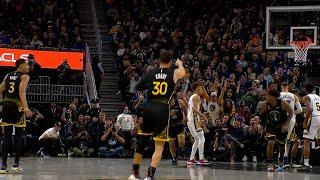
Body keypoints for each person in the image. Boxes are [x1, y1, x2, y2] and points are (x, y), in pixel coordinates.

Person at [128, 50, 185, 180]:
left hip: (149, 107)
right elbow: (183, 73)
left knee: (142, 141)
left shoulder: (151, 72)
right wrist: (179, 64)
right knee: (159, 145)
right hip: (163, 108)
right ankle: (150, 175)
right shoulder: (173, 72)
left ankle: (134, 172)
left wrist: (151, 86)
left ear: (159, 60)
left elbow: (137, 87)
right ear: (170, 61)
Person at [0, 59, 32, 173]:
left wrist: (1, 103)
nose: (28, 67)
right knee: (18, 137)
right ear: (21, 65)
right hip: (17, 106)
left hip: (6, 106)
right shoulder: (25, 77)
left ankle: (3, 166)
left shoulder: (8, 75)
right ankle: (15, 164)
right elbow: (21, 92)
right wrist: (26, 107)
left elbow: (0, 89)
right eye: (27, 64)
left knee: (6, 137)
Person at [258, 89, 293, 172]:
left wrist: (286, 124)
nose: (266, 97)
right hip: (271, 126)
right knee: (271, 142)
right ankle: (270, 164)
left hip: (281, 126)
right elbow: (262, 117)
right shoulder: (264, 104)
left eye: (267, 95)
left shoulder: (282, 103)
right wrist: (262, 127)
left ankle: (281, 161)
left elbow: (291, 112)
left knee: (281, 145)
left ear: (273, 97)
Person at [187, 82, 210, 165]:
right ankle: (201, 158)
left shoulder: (191, 97)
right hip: (194, 119)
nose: (201, 90)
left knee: (197, 139)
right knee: (201, 138)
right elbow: (195, 110)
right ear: (196, 88)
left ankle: (191, 159)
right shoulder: (196, 97)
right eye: (200, 88)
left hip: (190, 120)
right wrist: (203, 116)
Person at [279, 81, 302, 167]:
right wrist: (293, 114)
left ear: (281, 86)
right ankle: (285, 160)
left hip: (282, 119)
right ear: (288, 87)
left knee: (281, 139)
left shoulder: (279, 95)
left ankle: (283, 159)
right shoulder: (294, 96)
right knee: (287, 139)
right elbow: (300, 110)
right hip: (291, 119)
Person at [302, 84, 320, 169]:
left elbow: (309, 110)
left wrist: (305, 122)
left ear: (305, 89)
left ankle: (306, 163)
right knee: (318, 141)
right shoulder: (318, 97)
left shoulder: (306, 97)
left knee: (307, 141)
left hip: (313, 118)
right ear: (313, 89)